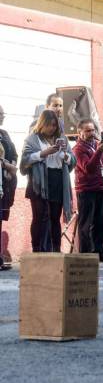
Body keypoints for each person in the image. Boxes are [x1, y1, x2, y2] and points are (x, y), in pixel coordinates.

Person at [20, 109, 76, 252]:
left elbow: (72, 160)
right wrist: (44, 153)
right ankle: (37, 249)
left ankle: (56, 249)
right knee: (39, 216)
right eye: (49, 125)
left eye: (54, 125)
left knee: (54, 218)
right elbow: (25, 161)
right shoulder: (32, 139)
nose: (52, 128)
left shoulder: (62, 139)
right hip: (38, 182)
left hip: (57, 179)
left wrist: (64, 154)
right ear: (42, 124)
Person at [72, 119, 103, 262]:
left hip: (100, 189)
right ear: (80, 132)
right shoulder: (78, 149)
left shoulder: (97, 145)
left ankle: (98, 252)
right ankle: (85, 255)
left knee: (100, 223)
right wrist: (99, 151)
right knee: (86, 224)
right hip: (86, 190)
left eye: (93, 130)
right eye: (88, 130)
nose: (92, 133)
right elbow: (88, 168)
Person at [0, 105, 18, 269]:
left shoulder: (4, 134)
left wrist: (11, 167)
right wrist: (6, 165)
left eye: (3, 114)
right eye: (0, 114)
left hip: (3, 184)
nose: (2, 117)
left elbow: (14, 153)